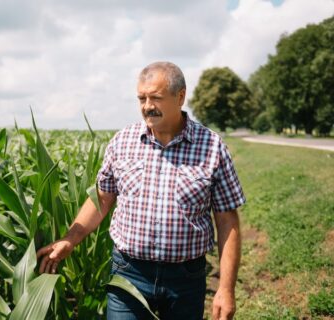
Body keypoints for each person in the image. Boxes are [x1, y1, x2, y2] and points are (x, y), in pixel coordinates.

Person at [36, 61, 245, 320]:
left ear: (180, 97)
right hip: (129, 273)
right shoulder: (122, 142)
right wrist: (70, 239)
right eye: (142, 98)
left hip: (186, 278)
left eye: (156, 97)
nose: (147, 106)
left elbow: (227, 221)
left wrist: (225, 288)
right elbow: (101, 198)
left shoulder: (212, 147)